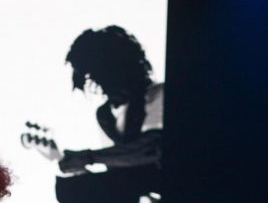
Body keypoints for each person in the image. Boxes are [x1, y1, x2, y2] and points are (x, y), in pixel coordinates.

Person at [22, 25, 163, 175]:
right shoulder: (105, 116)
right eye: (93, 79)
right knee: (69, 188)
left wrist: (88, 157)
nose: (102, 85)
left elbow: (153, 148)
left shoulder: (159, 94)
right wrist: (71, 165)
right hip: (140, 195)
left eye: (106, 74)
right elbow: (118, 176)